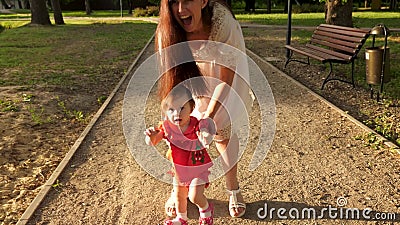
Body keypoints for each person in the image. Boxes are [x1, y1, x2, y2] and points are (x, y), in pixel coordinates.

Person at [155, 0, 253, 218]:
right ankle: (178, 188)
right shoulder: (167, 30)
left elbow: (225, 79)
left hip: (221, 78)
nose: (180, 9)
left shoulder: (222, 23)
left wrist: (208, 117)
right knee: (180, 134)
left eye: (187, 0)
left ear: (204, 1)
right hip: (188, 80)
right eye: (173, 2)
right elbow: (172, 82)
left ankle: (233, 188)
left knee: (222, 134)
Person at [145, 85, 215, 225]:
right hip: (179, 169)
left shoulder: (196, 124)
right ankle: (181, 218)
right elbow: (153, 141)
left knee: (194, 195)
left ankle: (206, 210)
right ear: (165, 112)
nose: (177, 113)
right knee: (179, 195)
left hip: (197, 167)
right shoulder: (166, 127)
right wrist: (150, 136)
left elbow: (205, 131)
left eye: (182, 108)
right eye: (171, 109)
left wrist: (205, 136)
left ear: (191, 107)